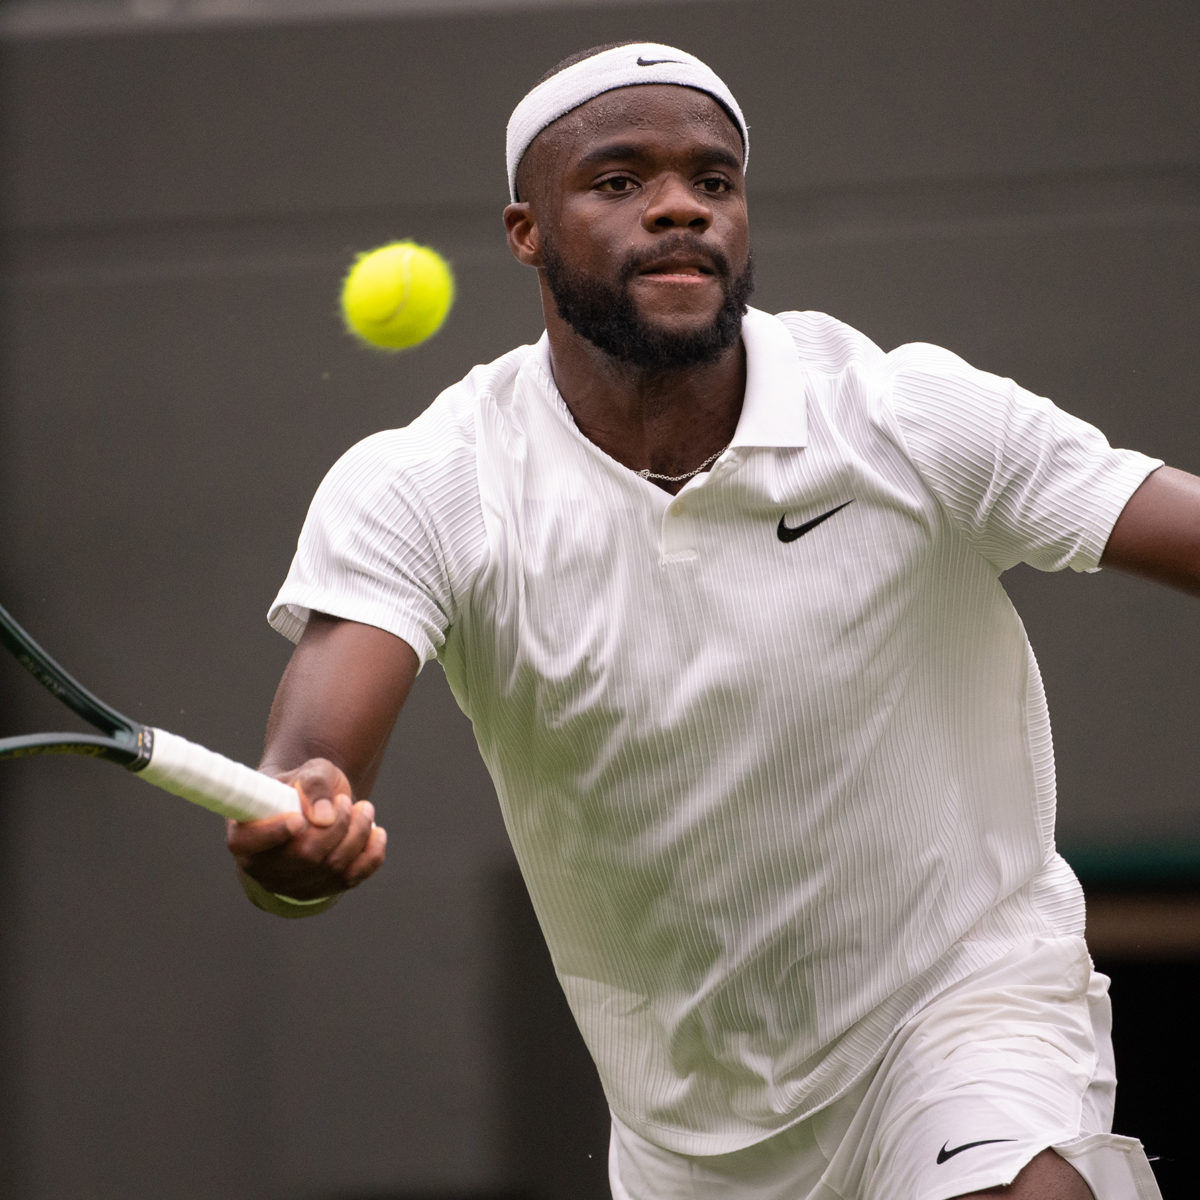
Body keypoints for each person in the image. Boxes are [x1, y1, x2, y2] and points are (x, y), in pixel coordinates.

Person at [225, 41, 1190, 1200]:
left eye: (713, 181)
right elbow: (310, 777)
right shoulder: (430, 484)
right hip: (695, 1137)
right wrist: (297, 846)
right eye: (619, 181)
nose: (679, 206)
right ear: (527, 232)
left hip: (965, 1007)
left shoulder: (906, 416)